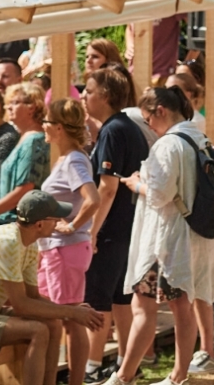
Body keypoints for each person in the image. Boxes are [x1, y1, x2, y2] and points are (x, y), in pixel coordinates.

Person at [114, 87, 214, 385]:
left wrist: (136, 184)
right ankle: (155, 375)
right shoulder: (197, 137)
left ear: (161, 111)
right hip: (192, 235)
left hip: (167, 241)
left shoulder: (168, 145)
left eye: (149, 118)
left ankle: (158, 376)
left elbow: (161, 194)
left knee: (162, 307)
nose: (149, 125)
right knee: (171, 305)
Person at [0, 192, 103, 385]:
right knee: (37, 331)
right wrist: (72, 313)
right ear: (39, 224)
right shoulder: (9, 243)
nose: (58, 221)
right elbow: (22, 305)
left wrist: (73, 311)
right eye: (54, 217)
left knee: (53, 324)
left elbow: (32, 297)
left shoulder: (29, 243)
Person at [81, 66, 147, 385]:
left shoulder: (112, 130)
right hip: (128, 226)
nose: (83, 96)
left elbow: (107, 187)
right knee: (121, 298)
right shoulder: (128, 127)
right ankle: (123, 363)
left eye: (89, 91)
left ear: (105, 96)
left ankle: (92, 366)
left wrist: (91, 230)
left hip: (111, 228)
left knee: (98, 297)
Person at [38, 99, 101, 385]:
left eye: (47, 122)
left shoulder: (74, 159)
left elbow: (93, 198)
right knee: (58, 316)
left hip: (65, 248)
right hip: (54, 249)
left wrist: (72, 225)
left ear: (59, 127)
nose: (43, 126)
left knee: (72, 318)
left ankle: (76, 380)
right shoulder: (67, 158)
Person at [163, 72, 214, 372]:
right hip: (192, 217)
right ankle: (203, 350)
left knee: (197, 287)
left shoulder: (191, 126)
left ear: (191, 96)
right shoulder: (183, 127)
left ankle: (205, 350)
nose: (170, 94)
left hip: (194, 217)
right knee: (195, 288)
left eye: (177, 90)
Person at [0, 83, 49, 225]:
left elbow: (24, 190)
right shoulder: (25, 138)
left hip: (20, 225)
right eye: (8, 103)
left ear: (32, 107)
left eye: (14, 103)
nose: (8, 107)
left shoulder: (34, 141)